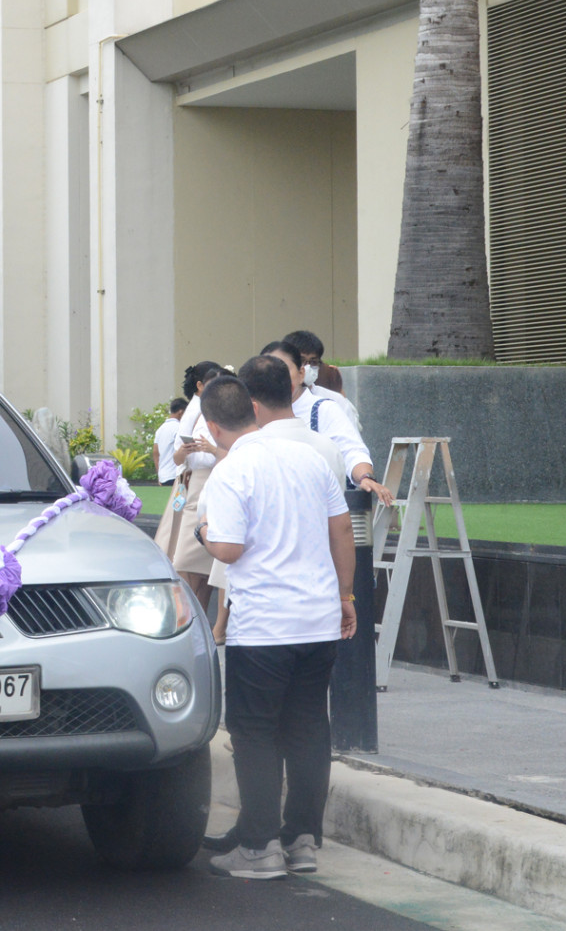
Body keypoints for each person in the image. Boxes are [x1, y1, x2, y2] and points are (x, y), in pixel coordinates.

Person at [194, 374, 356, 880]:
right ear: (255, 410)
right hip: (319, 619)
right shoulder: (310, 459)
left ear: (215, 426)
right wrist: (346, 597)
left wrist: (201, 530)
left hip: (263, 627)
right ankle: (301, 840)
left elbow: (228, 549)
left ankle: (259, 847)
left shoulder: (230, 471)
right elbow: (343, 529)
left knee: (255, 733)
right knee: (309, 728)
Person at [262, 342, 394, 507]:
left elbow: (351, 449)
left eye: (283, 371)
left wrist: (365, 477)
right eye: (269, 372)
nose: (277, 378)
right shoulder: (254, 411)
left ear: (301, 373)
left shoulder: (324, 409)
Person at [157, 361, 227, 609]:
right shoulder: (194, 410)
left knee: (194, 555)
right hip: (187, 482)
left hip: (206, 481)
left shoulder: (223, 410)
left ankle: (195, 609)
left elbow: (233, 451)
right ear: (200, 386)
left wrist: (212, 450)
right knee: (180, 553)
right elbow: (176, 456)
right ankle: (190, 609)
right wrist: (184, 452)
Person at [282, 329, 360, 430]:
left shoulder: (336, 401)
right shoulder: (274, 401)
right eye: (301, 361)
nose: (307, 367)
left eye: (313, 362)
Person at [154, 397, 188, 489]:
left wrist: (159, 474)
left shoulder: (160, 429)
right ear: (181, 412)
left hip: (163, 477)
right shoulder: (179, 428)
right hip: (175, 475)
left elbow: (156, 454)